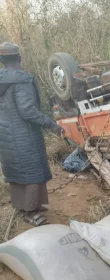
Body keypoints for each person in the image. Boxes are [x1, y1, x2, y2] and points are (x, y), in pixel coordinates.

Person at [0, 42, 64, 226]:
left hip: (5, 133)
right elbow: (27, 110)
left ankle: (24, 205)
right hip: (23, 135)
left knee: (16, 171)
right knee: (32, 172)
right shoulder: (22, 79)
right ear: (19, 58)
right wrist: (51, 124)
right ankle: (30, 212)